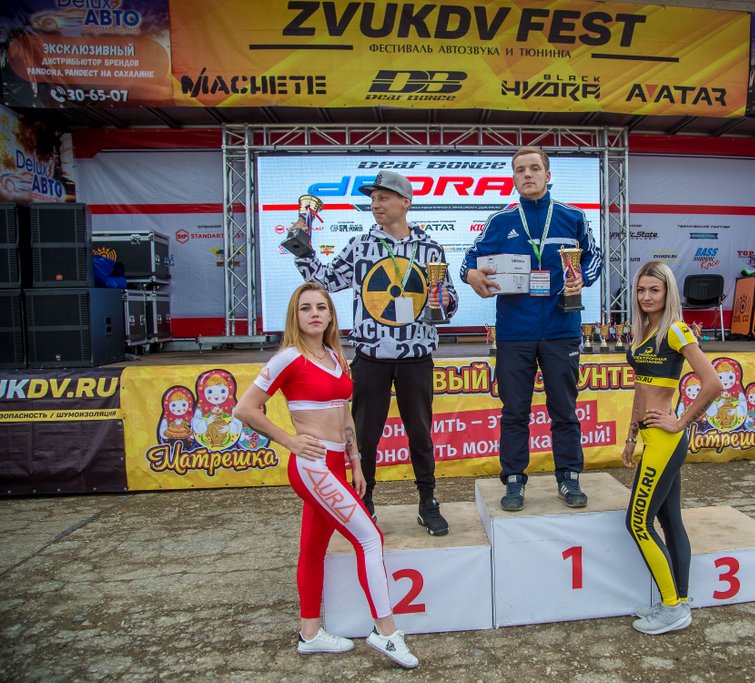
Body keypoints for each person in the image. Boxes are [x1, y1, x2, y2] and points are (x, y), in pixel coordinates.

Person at [233, 282, 418, 668]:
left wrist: (356, 460)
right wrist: (290, 441)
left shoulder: (335, 356)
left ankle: (310, 634)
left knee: (313, 548)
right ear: (295, 316)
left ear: (331, 315)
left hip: (337, 463)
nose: (314, 314)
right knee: (370, 538)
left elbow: (343, 411)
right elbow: (244, 409)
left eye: (321, 307)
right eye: (305, 308)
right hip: (313, 465)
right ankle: (386, 633)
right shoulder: (288, 358)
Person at [292, 170, 458, 536]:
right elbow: (324, 281)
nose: (375, 204)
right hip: (371, 359)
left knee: (420, 434)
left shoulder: (430, 249)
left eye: (383, 198)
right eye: (372, 199)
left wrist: (443, 300)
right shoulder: (360, 245)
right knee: (364, 437)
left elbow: (449, 304)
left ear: (405, 202)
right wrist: (301, 247)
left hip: (416, 357)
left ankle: (428, 502)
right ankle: (363, 502)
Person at [461, 146, 601, 511]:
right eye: (520, 169)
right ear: (513, 177)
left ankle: (569, 477)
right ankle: (513, 480)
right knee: (514, 412)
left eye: (534, 168)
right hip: (514, 333)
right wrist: (472, 274)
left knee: (564, 409)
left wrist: (582, 278)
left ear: (547, 175)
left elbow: (595, 256)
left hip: (561, 328)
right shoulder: (500, 221)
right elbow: (467, 261)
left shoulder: (573, 217)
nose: (527, 174)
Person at [622, 261, 723, 635]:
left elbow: (713, 383)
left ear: (668, 293)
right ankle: (678, 600)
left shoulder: (677, 330)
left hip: (666, 440)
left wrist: (681, 423)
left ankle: (671, 609)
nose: (646, 297)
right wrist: (631, 436)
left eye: (654, 290)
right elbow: (641, 388)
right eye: (641, 290)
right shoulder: (644, 331)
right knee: (668, 520)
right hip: (651, 438)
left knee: (637, 522)